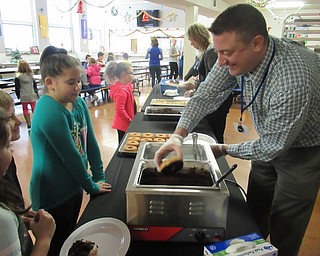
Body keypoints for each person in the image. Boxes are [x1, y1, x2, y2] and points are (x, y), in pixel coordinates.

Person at [154, 4, 320, 256]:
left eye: (227, 52)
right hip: (269, 138)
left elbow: (273, 146)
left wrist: (221, 149)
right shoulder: (234, 55)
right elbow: (203, 97)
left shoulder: (293, 77)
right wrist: (178, 136)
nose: (220, 61)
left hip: (303, 152)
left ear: (257, 43)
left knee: (286, 222)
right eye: (218, 51)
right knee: (256, 208)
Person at [30, 46, 112, 256]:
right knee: (55, 245)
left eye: (78, 81)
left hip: (73, 185)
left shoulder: (77, 103)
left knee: (69, 237)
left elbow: (90, 143)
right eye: (71, 82)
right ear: (50, 83)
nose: (77, 87)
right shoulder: (48, 110)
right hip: (52, 193)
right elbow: (70, 157)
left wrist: (99, 176)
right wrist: (91, 185)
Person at [0, 107, 56, 256]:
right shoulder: (3, 220)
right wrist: (44, 239)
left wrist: (18, 221)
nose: (11, 152)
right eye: (7, 146)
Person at [183, 22, 233, 143]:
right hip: (214, 100)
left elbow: (216, 83)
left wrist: (194, 86)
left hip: (218, 102)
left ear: (198, 37)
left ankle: (218, 157)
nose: (191, 44)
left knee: (215, 133)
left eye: (192, 40)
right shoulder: (206, 51)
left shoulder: (211, 52)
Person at [104, 61, 135, 143]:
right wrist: (130, 121)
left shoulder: (126, 85)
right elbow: (120, 110)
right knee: (124, 144)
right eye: (131, 73)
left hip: (127, 121)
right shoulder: (120, 91)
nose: (133, 75)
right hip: (124, 124)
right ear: (122, 75)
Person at [14, 60, 38, 129]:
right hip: (32, 94)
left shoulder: (18, 78)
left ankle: (28, 123)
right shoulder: (31, 76)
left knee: (25, 109)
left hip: (24, 95)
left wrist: (18, 95)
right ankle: (35, 122)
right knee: (34, 108)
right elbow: (35, 86)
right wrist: (36, 93)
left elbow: (17, 88)